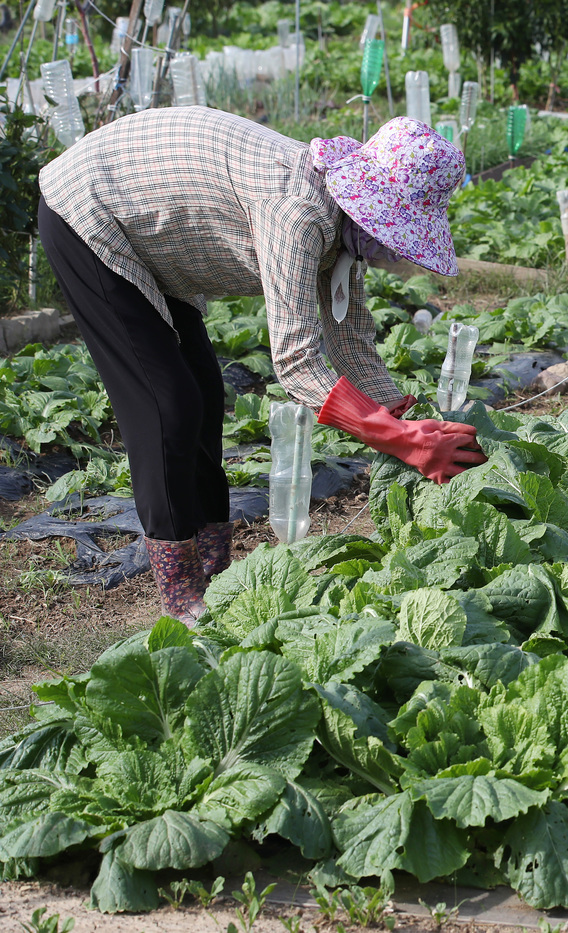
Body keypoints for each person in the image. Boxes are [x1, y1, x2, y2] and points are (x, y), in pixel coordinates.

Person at [37, 109, 486, 626]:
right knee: (167, 407)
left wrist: (404, 417)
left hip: (155, 240)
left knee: (204, 394)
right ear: (369, 208)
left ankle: (215, 570)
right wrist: (397, 438)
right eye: (395, 233)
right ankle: (180, 592)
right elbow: (296, 362)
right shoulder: (299, 213)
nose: (392, 250)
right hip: (90, 212)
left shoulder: (342, 229)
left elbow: (353, 343)